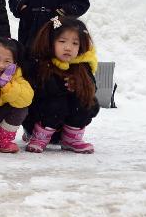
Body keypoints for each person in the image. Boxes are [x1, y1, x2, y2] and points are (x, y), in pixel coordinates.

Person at [23, 16, 99, 154]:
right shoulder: (40, 63)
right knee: (56, 102)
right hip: (41, 122)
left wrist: (80, 87)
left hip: (67, 126)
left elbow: (92, 89)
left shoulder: (82, 66)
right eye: (62, 41)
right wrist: (60, 87)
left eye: (75, 43)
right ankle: (39, 137)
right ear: (50, 42)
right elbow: (36, 92)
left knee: (87, 100)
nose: (68, 47)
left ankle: (71, 139)